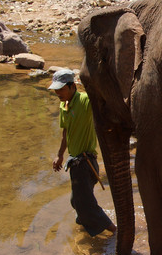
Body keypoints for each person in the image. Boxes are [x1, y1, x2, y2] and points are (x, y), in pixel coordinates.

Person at [50, 69, 117, 235]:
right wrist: (60, 155)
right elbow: (66, 132)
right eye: (56, 90)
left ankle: (114, 231)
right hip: (74, 161)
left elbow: (102, 101)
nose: (58, 93)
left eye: (61, 89)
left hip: (86, 162)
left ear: (72, 86)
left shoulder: (85, 101)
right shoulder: (63, 105)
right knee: (77, 200)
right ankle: (84, 224)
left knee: (83, 203)